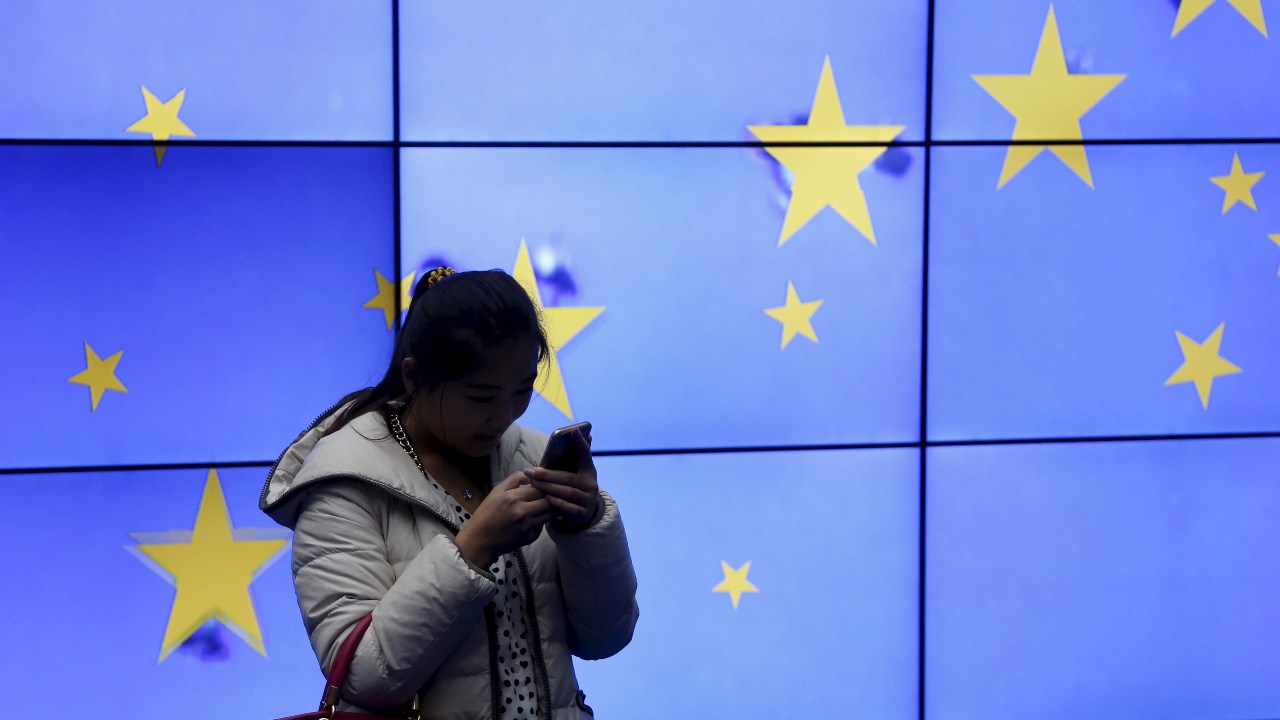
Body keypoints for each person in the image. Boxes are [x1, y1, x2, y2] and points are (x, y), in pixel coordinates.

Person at [260, 267, 639, 720]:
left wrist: (586, 527)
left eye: (521, 392)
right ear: (414, 378)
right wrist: (473, 549)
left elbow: (604, 638)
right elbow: (363, 677)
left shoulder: (533, 454)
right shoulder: (345, 481)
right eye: (481, 397)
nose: (504, 416)